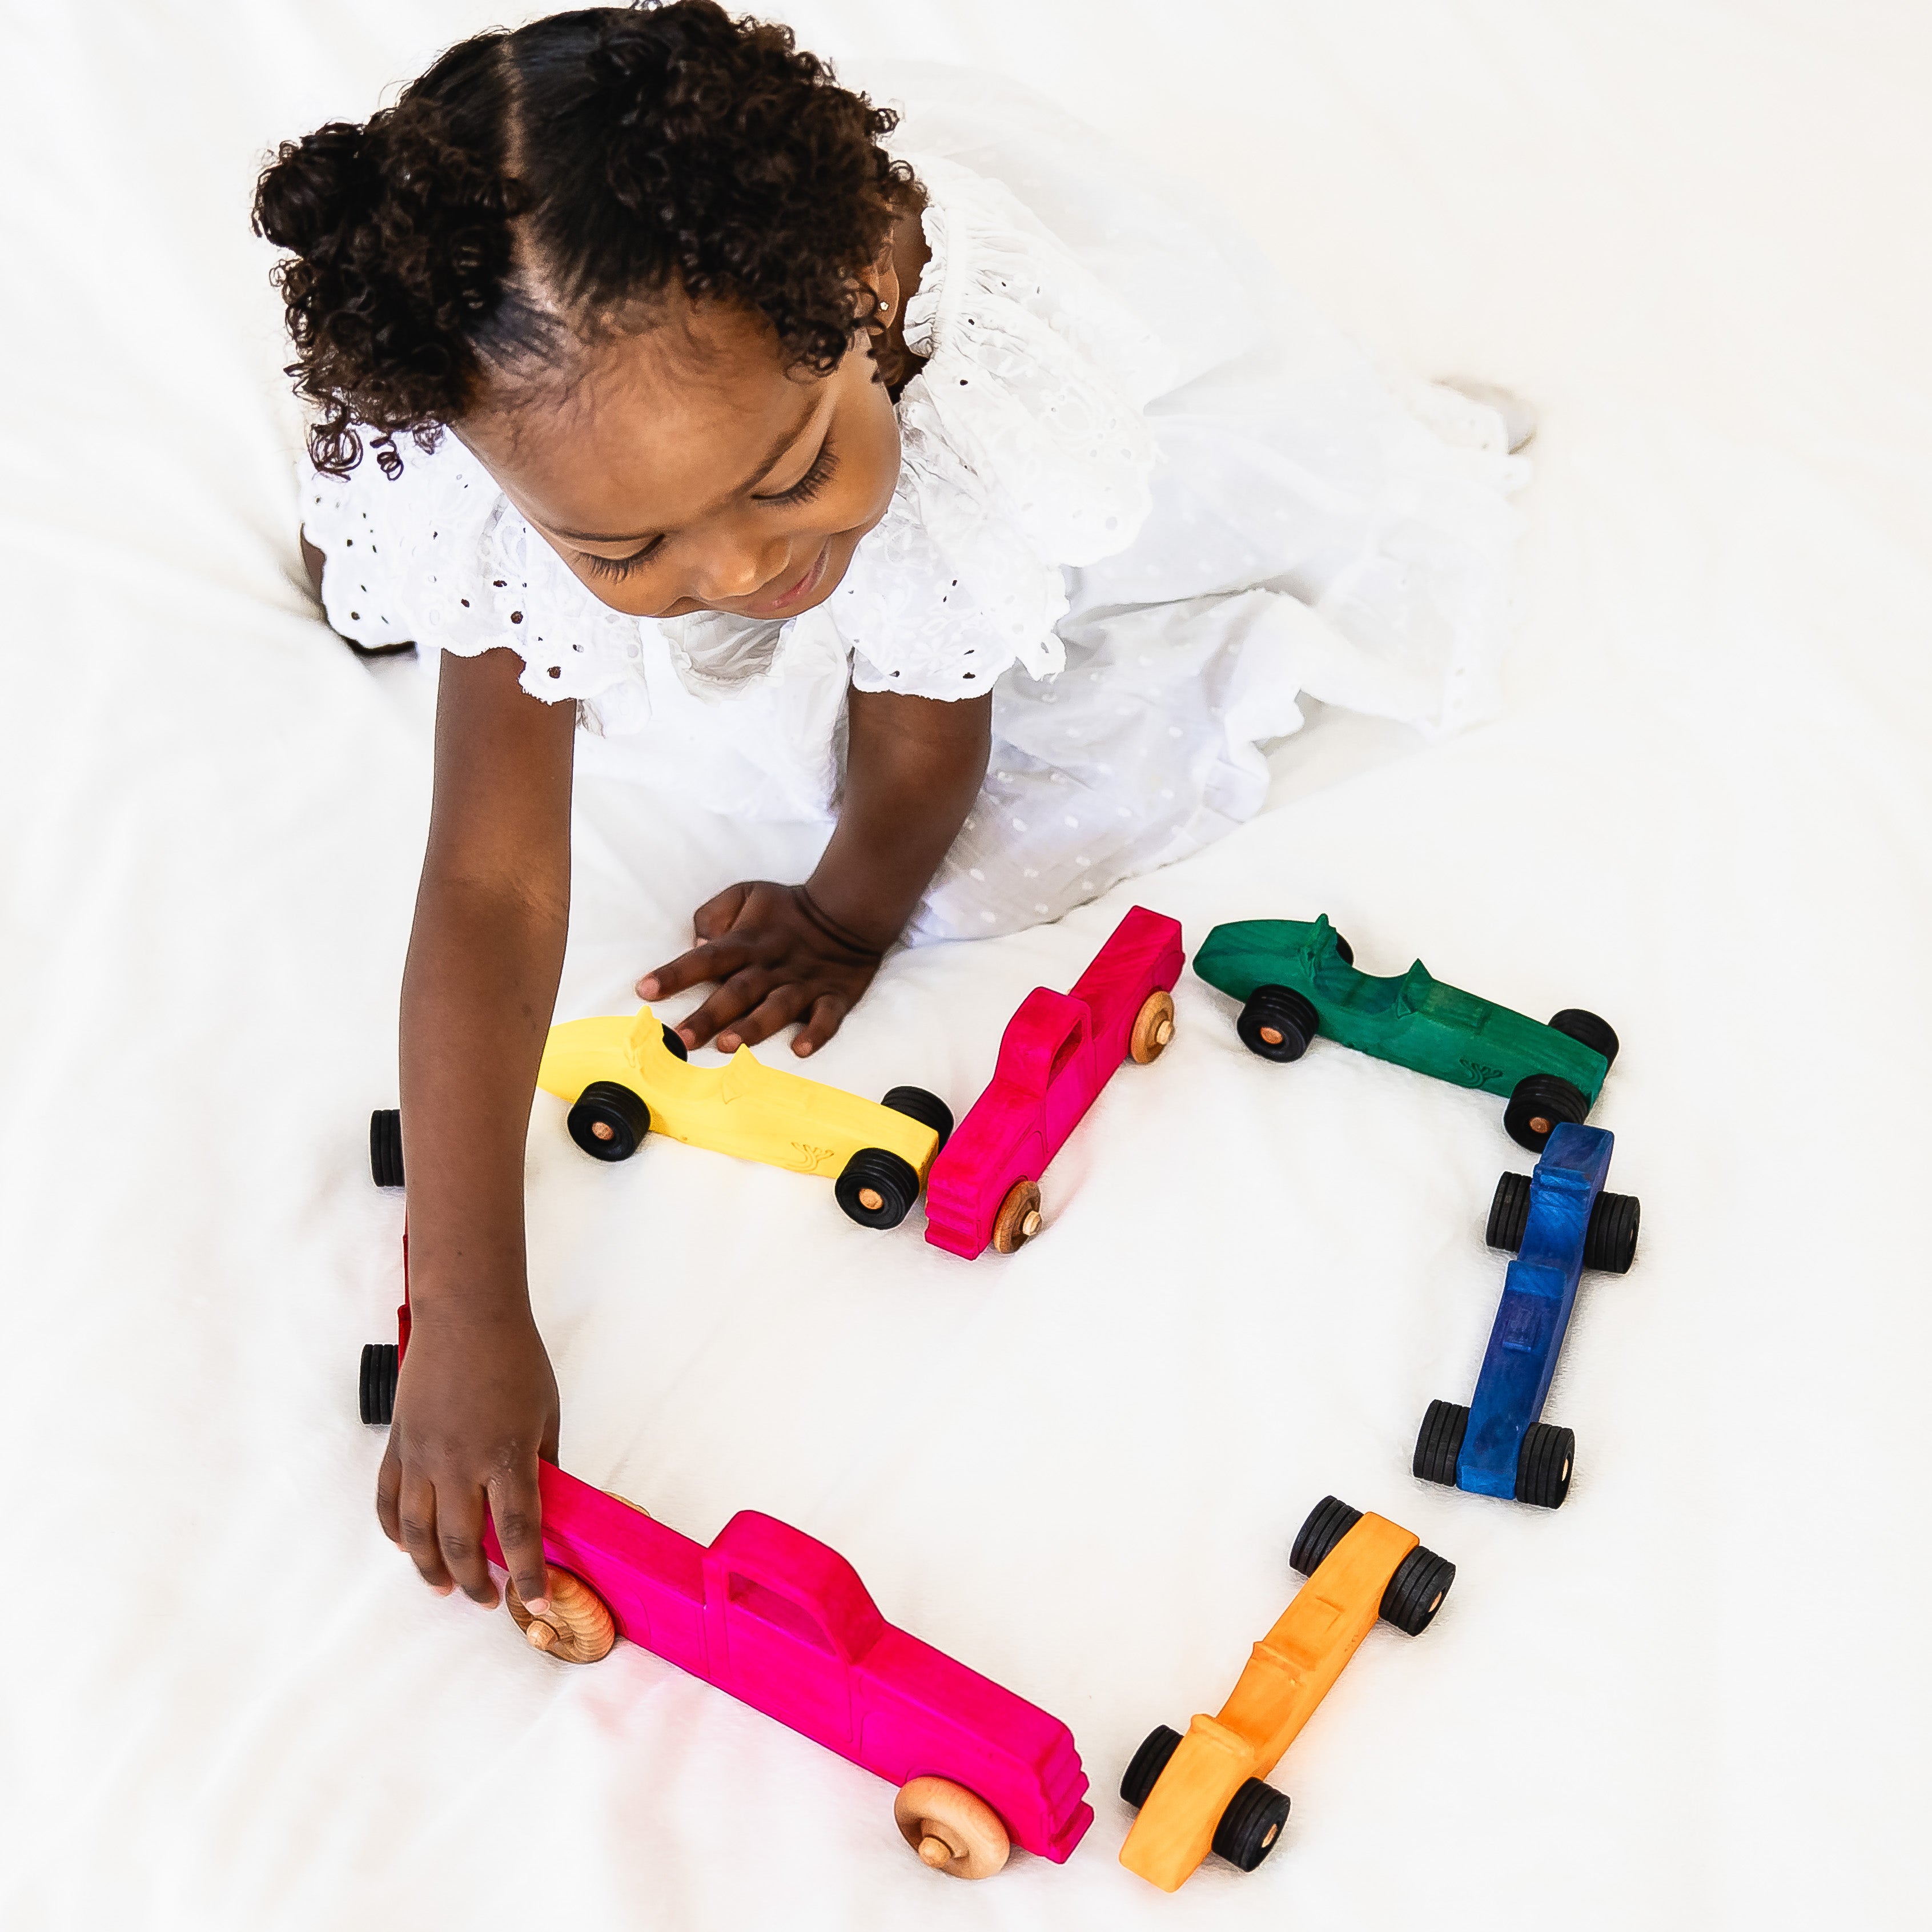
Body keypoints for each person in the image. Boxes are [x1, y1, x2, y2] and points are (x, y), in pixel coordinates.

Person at [255, 1, 1526, 1620]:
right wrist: (468, 1307)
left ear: (861, 312)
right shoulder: (538, 430)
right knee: (476, 565)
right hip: (611, 387)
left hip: (900, 361)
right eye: (626, 551)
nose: (737, 576)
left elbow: (924, 751)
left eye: (785, 478)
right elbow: (494, 883)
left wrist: (846, 917)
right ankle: (410, 541)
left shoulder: (923, 384)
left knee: (933, 725)